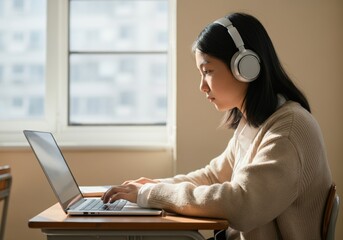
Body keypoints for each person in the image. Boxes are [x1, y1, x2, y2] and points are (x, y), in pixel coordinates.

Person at [102, 13, 332, 240]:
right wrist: (154, 186)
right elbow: (214, 177)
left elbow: (242, 204)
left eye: (208, 71)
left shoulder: (287, 131)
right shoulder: (254, 123)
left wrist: (149, 194)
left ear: (246, 67)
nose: (202, 86)